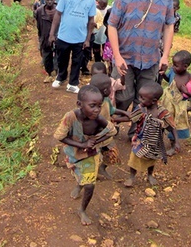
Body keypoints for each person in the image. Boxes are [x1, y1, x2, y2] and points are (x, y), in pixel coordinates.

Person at [107, 0, 175, 120]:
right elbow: (112, 25)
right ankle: (113, 127)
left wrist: (165, 55)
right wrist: (117, 56)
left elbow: (168, 25)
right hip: (126, 59)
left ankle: (136, 133)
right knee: (123, 95)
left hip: (151, 59)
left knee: (144, 100)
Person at [53, 85, 117, 225]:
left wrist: (95, 142)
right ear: (79, 104)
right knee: (78, 174)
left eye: (99, 106)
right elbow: (59, 136)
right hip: (74, 153)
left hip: (90, 155)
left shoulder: (98, 118)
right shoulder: (71, 117)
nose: (97, 110)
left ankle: (82, 209)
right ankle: (79, 185)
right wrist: (82, 145)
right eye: (92, 106)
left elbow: (112, 131)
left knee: (90, 184)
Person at [125, 81, 180, 188]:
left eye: (143, 98)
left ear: (154, 100)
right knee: (134, 158)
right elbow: (132, 117)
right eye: (139, 97)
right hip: (140, 139)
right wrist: (115, 119)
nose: (140, 100)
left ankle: (150, 175)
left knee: (152, 159)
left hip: (155, 142)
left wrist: (176, 141)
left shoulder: (163, 113)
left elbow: (172, 126)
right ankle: (131, 177)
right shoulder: (141, 108)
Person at [49, 0, 96, 94]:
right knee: (62, 59)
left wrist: (87, 39)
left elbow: (91, 20)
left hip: (80, 38)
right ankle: (61, 77)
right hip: (64, 36)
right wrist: (52, 34)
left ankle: (72, 84)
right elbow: (58, 15)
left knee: (77, 62)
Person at [89, 73, 131, 179]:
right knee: (93, 157)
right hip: (95, 137)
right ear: (104, 91)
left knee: (112, 154)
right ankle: (90, 175)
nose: (111, 89)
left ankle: (102, 168)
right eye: (109, 87)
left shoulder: (106, 100)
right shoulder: (91, 106)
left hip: (107, 134)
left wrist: (125, 113)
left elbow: (112, 110)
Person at [161, 50, 191, 147]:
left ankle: (174, 144)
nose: (173, 67)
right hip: (168, 103)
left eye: (176, 65)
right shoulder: (173, 72)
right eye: (173, 64)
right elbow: (169, 80)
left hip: (179, 107)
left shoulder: (190, 79)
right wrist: (163, 74)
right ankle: (159, 140)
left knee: (176, 125)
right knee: (162, 121)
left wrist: (186, 92)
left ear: (186, 66)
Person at [35, 0, 58, 83]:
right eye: (47, 0)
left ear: (54, 0)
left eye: (51, 0)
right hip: (45, 37)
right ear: (44, 0)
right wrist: (40, 38)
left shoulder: (59, 10)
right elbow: (38, 25)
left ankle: (56, 74)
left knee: (58, 56)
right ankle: (49, 74)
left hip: (57, 37)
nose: (49, 2)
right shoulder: (40, 11)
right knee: (46, 57)